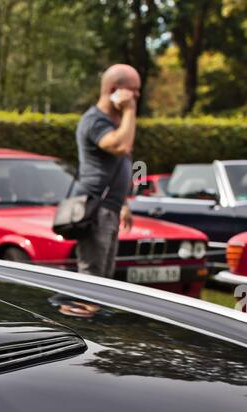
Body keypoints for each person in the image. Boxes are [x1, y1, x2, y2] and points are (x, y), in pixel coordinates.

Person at [74, 64, 139, 278]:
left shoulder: (113, 123)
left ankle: (91, 311)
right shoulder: (94, 120)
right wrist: (129, 110)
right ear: (114, 90)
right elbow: (121, 147)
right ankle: (79, 312)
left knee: (105, 279)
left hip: (109, 209)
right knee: (92, 279)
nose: (137, 96)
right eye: (133, 90)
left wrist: (123, 203)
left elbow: (117, 162)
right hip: (95, 210)